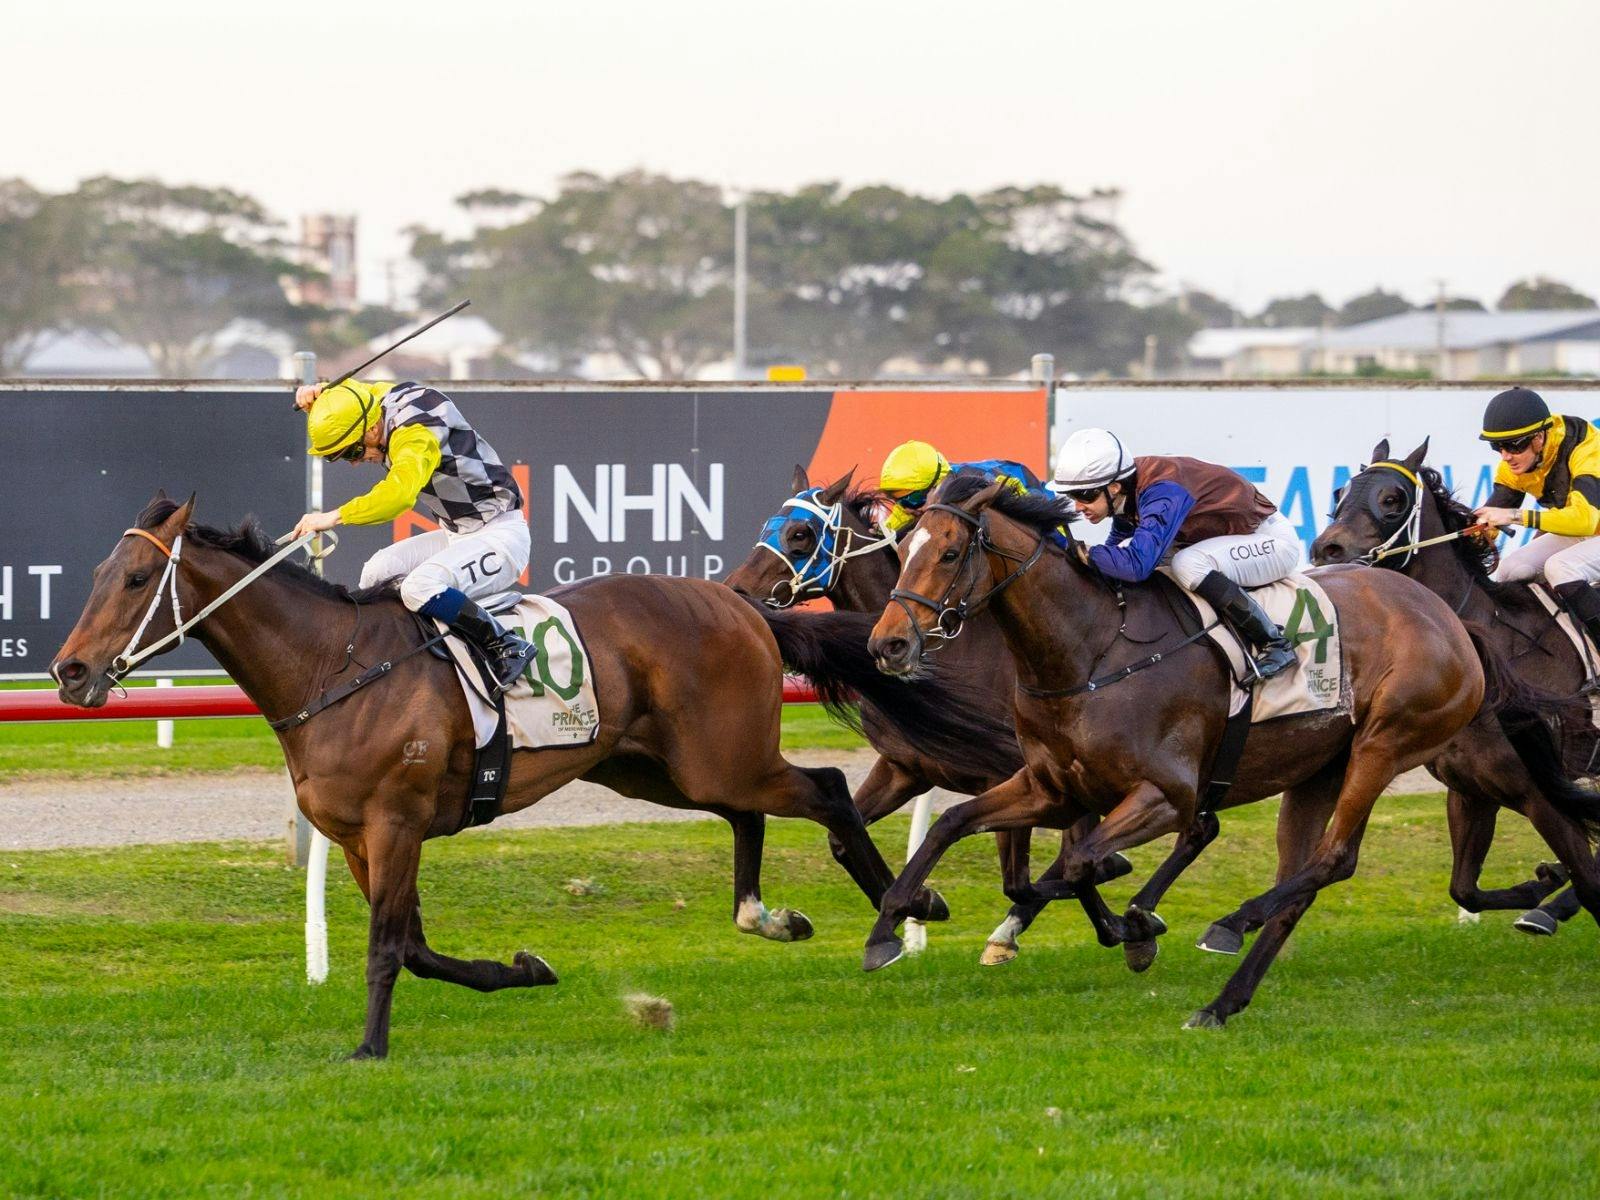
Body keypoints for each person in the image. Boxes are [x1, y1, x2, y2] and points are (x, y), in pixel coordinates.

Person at [291, 378, 535, 692]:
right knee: (377, 572)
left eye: (352, 451)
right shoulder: (379, 400)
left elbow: (398, 496)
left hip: (500, 537)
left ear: (372, 428)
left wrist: (334, 516)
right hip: (458, 534)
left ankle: (505, 645)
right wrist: (323, 395)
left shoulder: (415, 435)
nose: (354, 463)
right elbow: (358, 391)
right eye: (340, 457)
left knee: (419, 587)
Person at [1053, 428, 1299, 680]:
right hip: (1225, 540)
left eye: (1085, 496)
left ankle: (1275, 644)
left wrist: (1086, 553)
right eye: (1072, 496)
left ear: (1114, 487)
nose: (1078, 506)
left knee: (1188, 564)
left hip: (1271, 541)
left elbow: (1136, 566)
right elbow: (1115, 556)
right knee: (1127, 551)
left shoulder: (1161, 492)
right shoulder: (1127, 490)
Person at [1472, 385, 1600, 642]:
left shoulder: (1586, 449)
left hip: (1588, 526)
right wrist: (1476, 533)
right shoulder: (1516, 463)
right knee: (1511, 570)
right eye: (1498, 447)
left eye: (1513, 446)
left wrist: (1514, 516)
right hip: (1588, 534)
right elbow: (1489, 520)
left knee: (1560, 568)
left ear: (1539, 438)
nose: (1506, 456)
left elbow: (1585, 521)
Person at [878, 440, 1047, 534]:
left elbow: (1039, 523)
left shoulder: (978, 484)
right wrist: (882, 533)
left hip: (1032, 493)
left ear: (937, 485)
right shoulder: (911, 503)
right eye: (898, 501)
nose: (907, 508)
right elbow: (893, 526)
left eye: (913, 499)